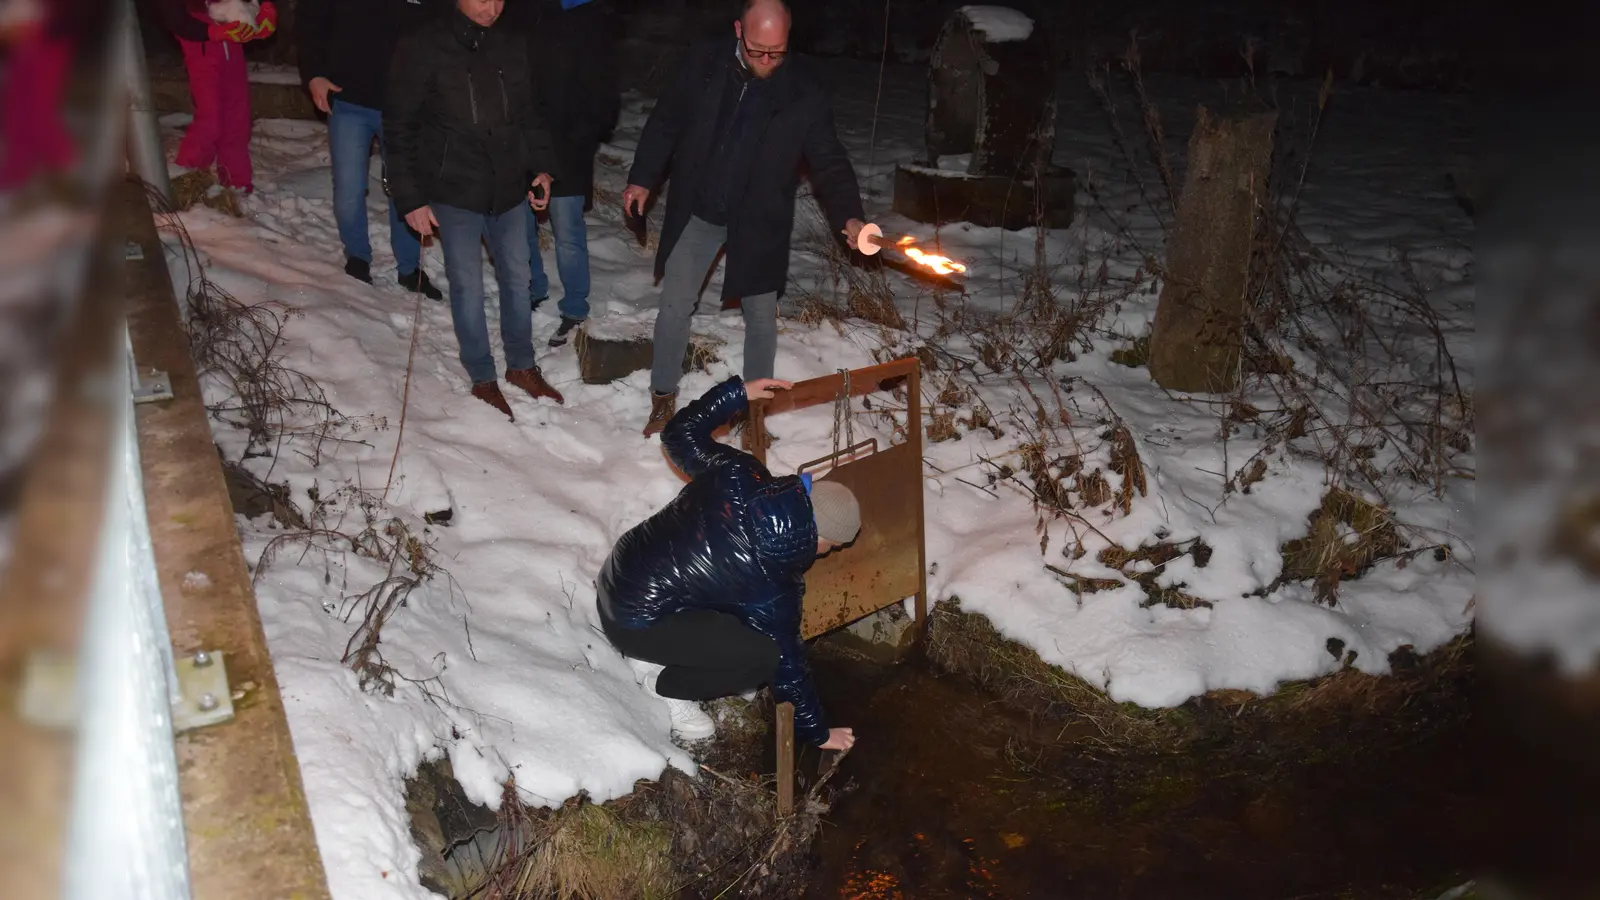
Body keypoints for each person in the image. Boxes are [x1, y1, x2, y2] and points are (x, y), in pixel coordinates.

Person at [622, 0, 868, 437]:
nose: (768, 60)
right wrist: (642, 178)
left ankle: (755, 416)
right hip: (701, 207)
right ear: (739, 30)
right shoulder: (704, 62)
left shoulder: (803, 91)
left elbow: (830, 160)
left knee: (761, 318)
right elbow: (666, 121)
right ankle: (663, 398)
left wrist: (850, 217)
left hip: (759, 219)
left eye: (778, 51)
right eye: (758, 50)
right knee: (675, 304)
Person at [596, 375, 860, 750]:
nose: (826, 553)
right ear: (819, 536)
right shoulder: (772, 578)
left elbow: (678, 434)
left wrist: (736, 394)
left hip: (619, 572)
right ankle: (665, 686)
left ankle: (660, 650)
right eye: (830, 547)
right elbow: (787, 664)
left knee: (731, 607)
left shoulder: (742, 471)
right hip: (632, 623)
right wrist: (818, 733)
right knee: (763, 657)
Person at [385, 0, 565, 420]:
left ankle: (521, 366)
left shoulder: (512, 43)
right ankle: (482, 376)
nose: (493, 7)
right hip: (453, 188)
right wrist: (410, 198)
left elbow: (530, 113)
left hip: (508, 187)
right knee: (467, 285)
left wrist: (542, 167)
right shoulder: (423, 45)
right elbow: (399, 125)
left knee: (518, 279)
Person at [298, 0, 443, 299]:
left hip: (407, 104)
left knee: (407, 186)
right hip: (349, 98)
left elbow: (442, 30)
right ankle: (357, 257)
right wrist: (314, 74)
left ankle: (409, 268)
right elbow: (312, 19)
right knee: (349, 187)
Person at [503, 0, 619, 348]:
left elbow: (604, 98)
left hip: (569, 148)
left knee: (567, 231)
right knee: (521, 222)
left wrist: (579, 142)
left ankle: (575, 307)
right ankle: (533, 287)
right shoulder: (524, 13)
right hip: (524, 142)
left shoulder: (592, 21)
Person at [156, 0, 279, 194]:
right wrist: (212, 31)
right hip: (200, 39)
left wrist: (262, 11)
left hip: (229, 32)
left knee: (237, 120)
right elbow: (175, 18)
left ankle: (237, 184)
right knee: (210, 119)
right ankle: (186, 180)